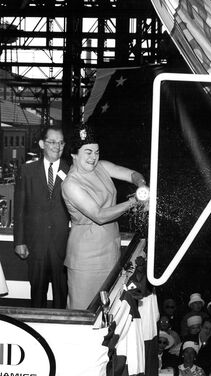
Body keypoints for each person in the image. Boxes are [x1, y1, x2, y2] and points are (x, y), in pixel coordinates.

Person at [61, 123, 148, 309]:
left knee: (110, 310)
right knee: (84, 312)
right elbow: (99, 215)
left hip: (111, 251)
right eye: (88, 152)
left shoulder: (103, 167)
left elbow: (132, 174)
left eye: (97, 152)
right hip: (86, 260)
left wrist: (141, 185)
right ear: (74, 154)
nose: (94, 157)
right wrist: (133, 202)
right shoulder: (70, 184)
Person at [13, 126, 70, 308]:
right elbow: (20, 208)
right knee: (37, 296)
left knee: (62, 296)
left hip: (63, 247)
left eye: (60, 142)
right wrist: (19, 241)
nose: (57, 146)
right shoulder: (27, 171)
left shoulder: (72, 172)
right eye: (52, 142)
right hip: (35, 246)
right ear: (41, 144)